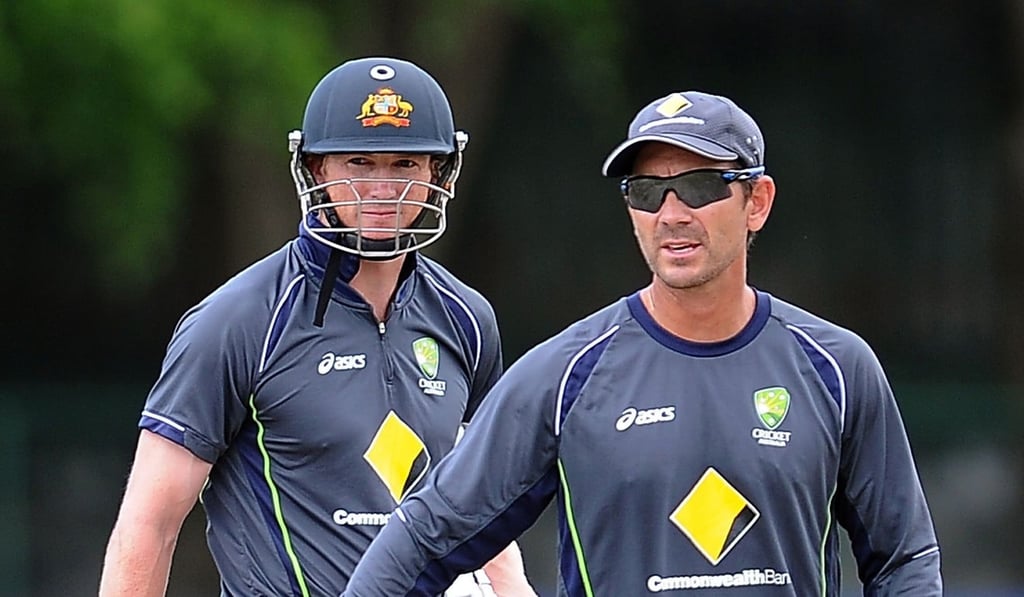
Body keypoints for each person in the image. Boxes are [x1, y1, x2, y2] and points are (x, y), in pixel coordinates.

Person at [341, 90, 943, 596]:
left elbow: (904, 559)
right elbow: (424, 539)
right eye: (647, 192)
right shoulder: (564, 376)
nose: (672, 213)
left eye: (700, 186)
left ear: (756, 202)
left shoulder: (836, 368)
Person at [99, 57, 536, 597]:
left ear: (438, 174)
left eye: (404, 164)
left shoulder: (466, 317)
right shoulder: (238, 321)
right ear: (315, 169)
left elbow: (479, 503)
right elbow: (149, 526)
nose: (382, 189)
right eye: (358, 162)